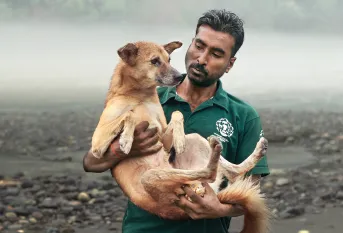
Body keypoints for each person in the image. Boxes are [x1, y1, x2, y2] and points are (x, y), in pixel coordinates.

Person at [83, 9, 270, 233]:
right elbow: (90, 163)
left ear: (230, 64)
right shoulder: (146, 97)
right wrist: (124, 150)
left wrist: (218, 209)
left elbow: (250, 191)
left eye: (216, 54)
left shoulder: (243, 115)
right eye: (199, 46)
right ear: (190, 44)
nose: (201, 59)